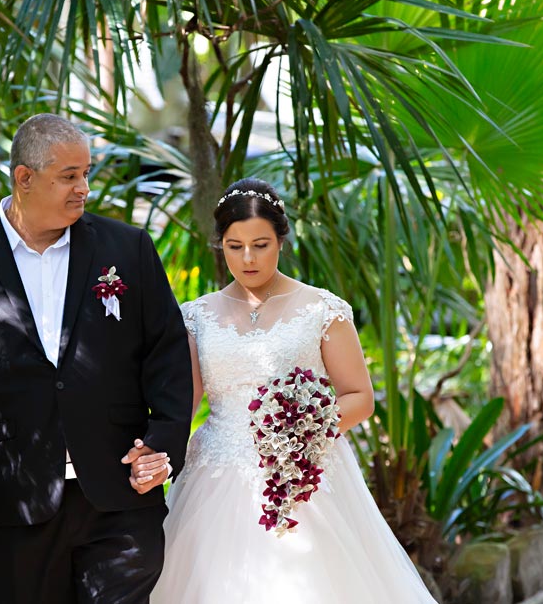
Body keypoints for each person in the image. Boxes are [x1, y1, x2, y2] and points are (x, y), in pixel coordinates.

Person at [0, 113, 192, 604]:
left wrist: (161, 444)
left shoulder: (129, 248)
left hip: (121, 495)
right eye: (69, 176)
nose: (83, 187)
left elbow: (166, 355)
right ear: (24, 178)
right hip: (17, 500)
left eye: (86, 174)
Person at [150, 178, 437, 602]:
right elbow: (185, 403)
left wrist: (305, 429)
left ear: (281, 240)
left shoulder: (323, 309)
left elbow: (360, 396)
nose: (248, 258)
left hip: (303, 475)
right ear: (221, 245)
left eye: (261, 244)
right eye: (235, 246)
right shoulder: (195, 316)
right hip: (214, 477)